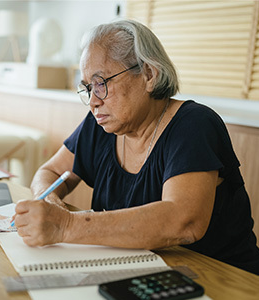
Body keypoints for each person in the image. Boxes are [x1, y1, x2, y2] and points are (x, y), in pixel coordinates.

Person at [13, 19, 259, 275]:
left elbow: (183, 221)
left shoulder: (195, 125)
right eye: (87, 88)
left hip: (221, 278)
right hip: (141, 272)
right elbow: (50, 172)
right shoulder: (100, 125)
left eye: (100, 83)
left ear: (149, 75)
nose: (93, 102)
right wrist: (49, 200)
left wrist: (65, 226)